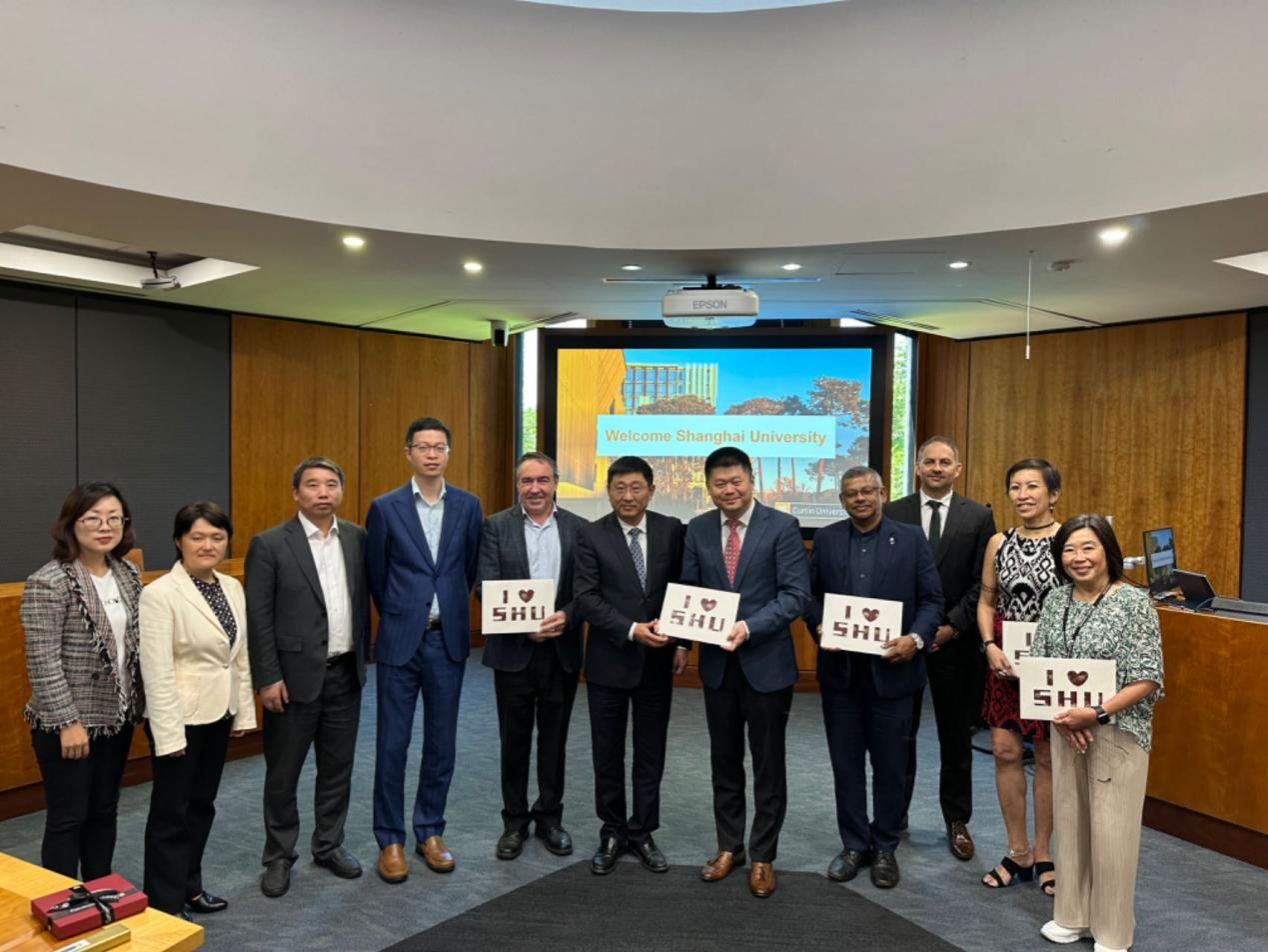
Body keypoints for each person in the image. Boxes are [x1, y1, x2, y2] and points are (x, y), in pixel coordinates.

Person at [680, 446, 810, 899]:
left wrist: (749, 627)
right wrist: (683, 637)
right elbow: (689, 591)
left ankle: (763, 855)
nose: (729, 490)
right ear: (709, 487)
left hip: (766, 663)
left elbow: (795, 595)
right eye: (719, 483)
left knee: (768, 762)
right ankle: (728, 846)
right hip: (718, 666)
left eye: (736, 481)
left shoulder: (783, 527)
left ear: (752, 481)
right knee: (724, 759)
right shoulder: (697, 529)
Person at [1032, 515, 1163, 952]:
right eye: (1069, 550)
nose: (1078, 558)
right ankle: (1072, 914)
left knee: (1112, 833)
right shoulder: (1056, 599)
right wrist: (1062, 717)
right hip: (1066, 728)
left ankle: (1112, 931)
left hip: (1116, 731)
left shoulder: (1134, 604)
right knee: (1070, 824)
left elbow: (1148, 677)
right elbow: (1040, 664)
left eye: (1088, 547)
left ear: (1108, 550)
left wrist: (1096, 714)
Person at [808, 467, 943, 889]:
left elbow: (932, 600)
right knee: (846, 764)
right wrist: (820, 626)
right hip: (842, 676)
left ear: (883, 494)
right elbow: (809, 596)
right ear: (842, 500)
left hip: (894, 674)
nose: (860, 498)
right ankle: (854, 844)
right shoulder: (827, 539)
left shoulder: (911, 539)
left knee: (890, 766)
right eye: (851, 493)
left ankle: (885, 846)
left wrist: (916, 639)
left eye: (868, 491)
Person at [245, 457, 371, 898]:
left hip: (345, 673)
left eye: (331, 484)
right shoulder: (270, 544)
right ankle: (279, 856)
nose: (323, 492)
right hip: (291, 680)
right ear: (296, 493)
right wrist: (267, 676)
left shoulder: (357, 538)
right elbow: (258, 617)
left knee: (337, 768)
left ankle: (329, 845)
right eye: (313, 485)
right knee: (283, 773)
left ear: (341, 492)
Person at [365, 416, 482, 883]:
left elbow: (468, 568)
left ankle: (430, 830)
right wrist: (402, 613)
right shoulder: (385, 507)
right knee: (392, 743)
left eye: (439, 447)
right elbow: (377, 575)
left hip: (446, 640)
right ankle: (390, 838)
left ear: (448, 453)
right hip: (399, 641)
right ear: (408, 453)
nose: (432, 454)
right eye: (423, 447)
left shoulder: (468, 506)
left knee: (441, 742)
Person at [21, 482, 144, 880]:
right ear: (71, 524)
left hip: (115, 717)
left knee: (105, 809)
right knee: (68, 817)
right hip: (69, 723)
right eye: (93, 518)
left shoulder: (127, 573)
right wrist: (67, 722)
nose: (104, 527)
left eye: (113, 518)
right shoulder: (49, 581)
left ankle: (99, 889)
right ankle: (62, 901)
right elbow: (42, 660)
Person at [139, 501, 255, 918]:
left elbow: (238, 657)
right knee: (171, 812)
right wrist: (168, 735)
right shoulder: (159, 594)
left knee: (202, 805)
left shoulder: (232, 587)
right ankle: (164, 902)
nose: (208, 545)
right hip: (179, 719)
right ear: (179, 541)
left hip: (218, 713)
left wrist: (243, 712)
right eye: (198, 537)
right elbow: (156, 671)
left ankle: (190, 886)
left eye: (217, 537)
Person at [573, 456, 686, 875]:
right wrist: (631, 629)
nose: (628, 496)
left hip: (657, 660)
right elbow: (586, 598)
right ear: (608, 491)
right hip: (609, 660)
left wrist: (683, 642)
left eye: (636, 487)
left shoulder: (672, 530)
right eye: (619, 488)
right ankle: (612, 830)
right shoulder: (590, 534)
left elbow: (683, 588)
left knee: (650, 751)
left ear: (651, 491)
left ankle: (642, 831)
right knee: (607, 752)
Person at [885, 436, 995, 861]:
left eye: (944, 462)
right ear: (917, 467)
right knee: (900, 733)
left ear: (957, 469)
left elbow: (983, 582)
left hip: (954, 643)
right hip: (904, 643)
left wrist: (950, 626)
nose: (936, 468)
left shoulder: (978, 516)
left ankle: (957, 820)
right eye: (928, 461)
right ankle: (894, 816)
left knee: (955, 737)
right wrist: (915, 631)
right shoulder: (893, 512)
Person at [476, 452, 587, 861]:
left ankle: (550, 818)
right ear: (517, 485)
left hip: (561, 650)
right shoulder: (495, 527)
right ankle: (515, 822)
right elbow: (484, 585)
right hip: (513, 651)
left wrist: (568, 616)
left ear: (555, 482)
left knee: (555, 740)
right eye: (527, 481)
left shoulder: (579, 528)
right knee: (514, 740)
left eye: (542, 480)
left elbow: (587, 589)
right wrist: (523, 625)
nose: (535, 489)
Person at [977, 458, 1062, 894]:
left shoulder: (1070, 541)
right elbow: (986, 601)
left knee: (1047, 758)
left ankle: (1044, 852)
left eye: (1032, 486)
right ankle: (1018, 850)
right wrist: (989, 645)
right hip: (1005, 664)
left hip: (1053, 666)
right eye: (1015, 487)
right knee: (1005, 752)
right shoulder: (999, 542)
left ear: (1053, 494)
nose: (1023, 495)